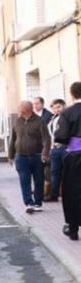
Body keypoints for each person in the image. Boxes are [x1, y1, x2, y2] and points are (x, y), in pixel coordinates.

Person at [9, 101, 51, 214]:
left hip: (37, 156)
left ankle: (38, 202)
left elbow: (46, 139)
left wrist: (45, 153)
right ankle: (28, 203)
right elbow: (13, 139)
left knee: (39, 180)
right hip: (21, 156)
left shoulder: (40, 121)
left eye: (20, 109)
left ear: (27, 110)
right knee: (24, 180)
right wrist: (10, 155)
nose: (18, 111)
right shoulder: (17, 121)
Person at [54, 82, 81, 240]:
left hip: (75, 155)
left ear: (72, 94)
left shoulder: (68, 113)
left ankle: (73, 228)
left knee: (72, 191)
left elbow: (61, 136)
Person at [45, 99, 66, 202]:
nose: (57, 109)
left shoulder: (66, 118)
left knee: (66, 173)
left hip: (65, 148)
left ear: (63, 106)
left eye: (59, 107)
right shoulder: (52, 118)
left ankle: (67, 194)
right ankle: (54, 195)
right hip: (54, 149)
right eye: (54, 107)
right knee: (54, 172)